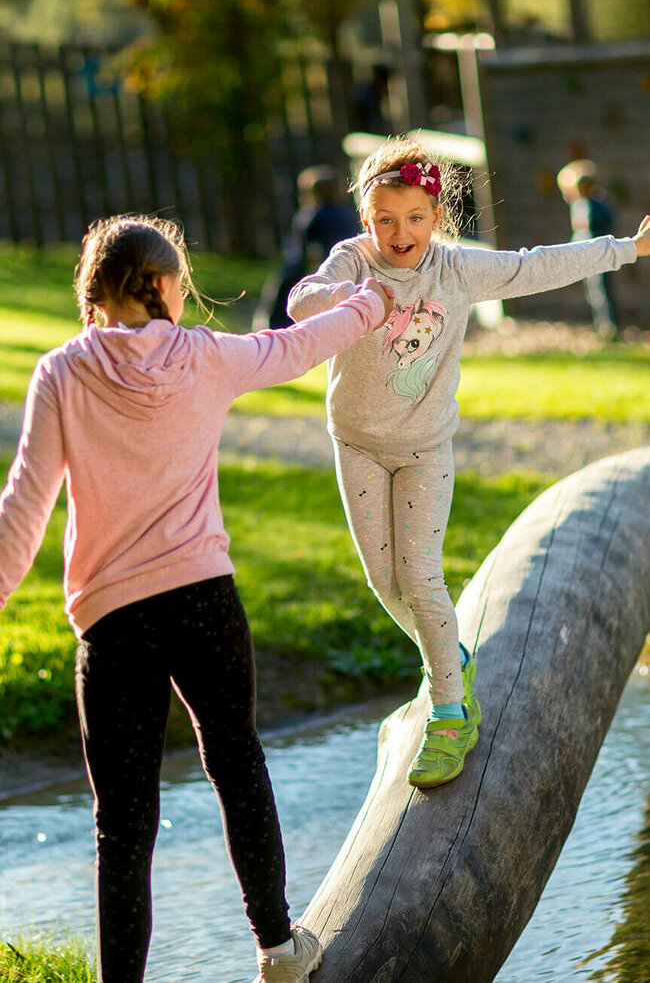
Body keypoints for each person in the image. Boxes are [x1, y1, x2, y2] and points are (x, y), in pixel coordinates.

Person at [0, 214, 393, 983]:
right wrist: (373, 304)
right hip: (203, 599)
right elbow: (296, 347)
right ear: (161, 287)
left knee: (123, 824)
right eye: (180, 281)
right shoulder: (205, 356)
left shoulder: (61, 372)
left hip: (113, 622)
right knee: (237, 762)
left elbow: (24, 506)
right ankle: (279, 950)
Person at [288, 137, 650, 791]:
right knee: (385, 581)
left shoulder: (457, 269)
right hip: (357, 444)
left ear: (437, 213)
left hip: (426, 447)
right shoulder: (354, 259)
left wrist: (628, 248)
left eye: (415, 218)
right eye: (385, 220)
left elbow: (537, 265)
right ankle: (447, 653)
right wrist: (345, 302)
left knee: (421, 579)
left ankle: (451, 712)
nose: (401, 234)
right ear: (366, 219)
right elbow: (304, 299)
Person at [254, 165, 359, 330]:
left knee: (284, 295)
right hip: (349, 269)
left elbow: (304, 252)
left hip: (314, 270)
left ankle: (275, 329)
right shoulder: (349, 213)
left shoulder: (311, 215)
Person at [557, 158, 619, 339]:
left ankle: (608, 326)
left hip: (597, 252)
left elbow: (590, 229)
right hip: (589, 252)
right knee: (595, 290)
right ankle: (602, 324)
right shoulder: (582, 204)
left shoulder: (592, 205)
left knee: (601, 289)